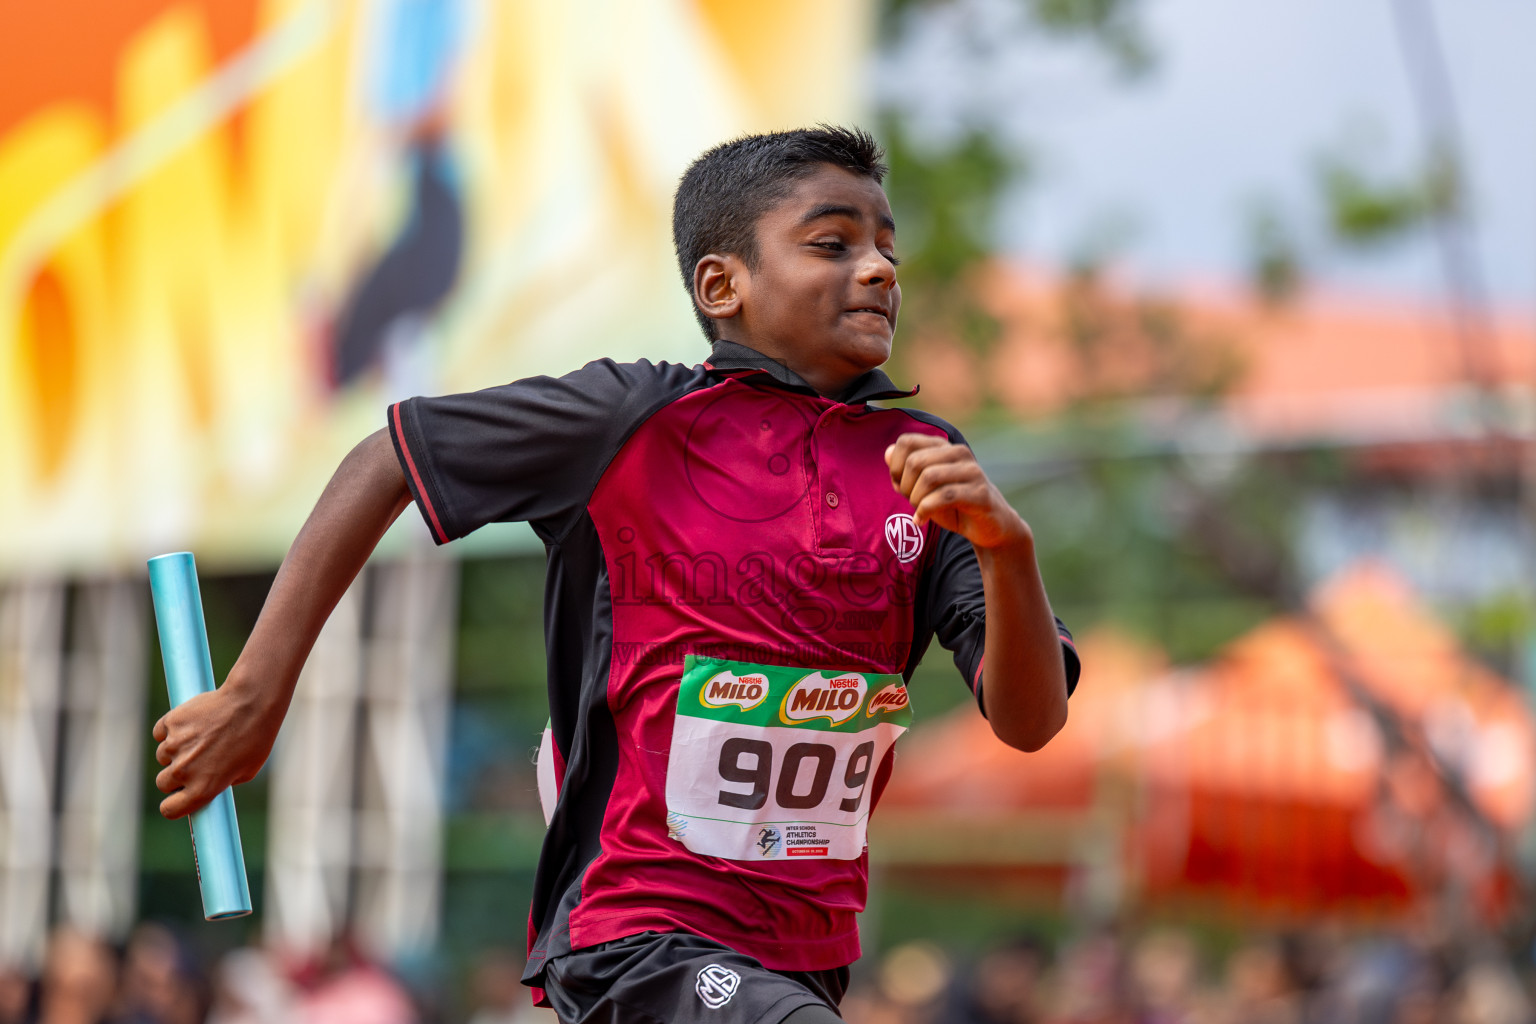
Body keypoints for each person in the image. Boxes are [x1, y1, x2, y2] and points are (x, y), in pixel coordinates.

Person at [152, 126, 1081, 1024]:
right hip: (633, 931)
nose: (879, 269)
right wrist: (254, 695)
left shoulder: (926, 464)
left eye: (886, 249)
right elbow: (391, 456)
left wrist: (1011, 550)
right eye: (832, 245)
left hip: (806, 954)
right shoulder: (629, 421)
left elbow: (1029, 721)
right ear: (723, 285)